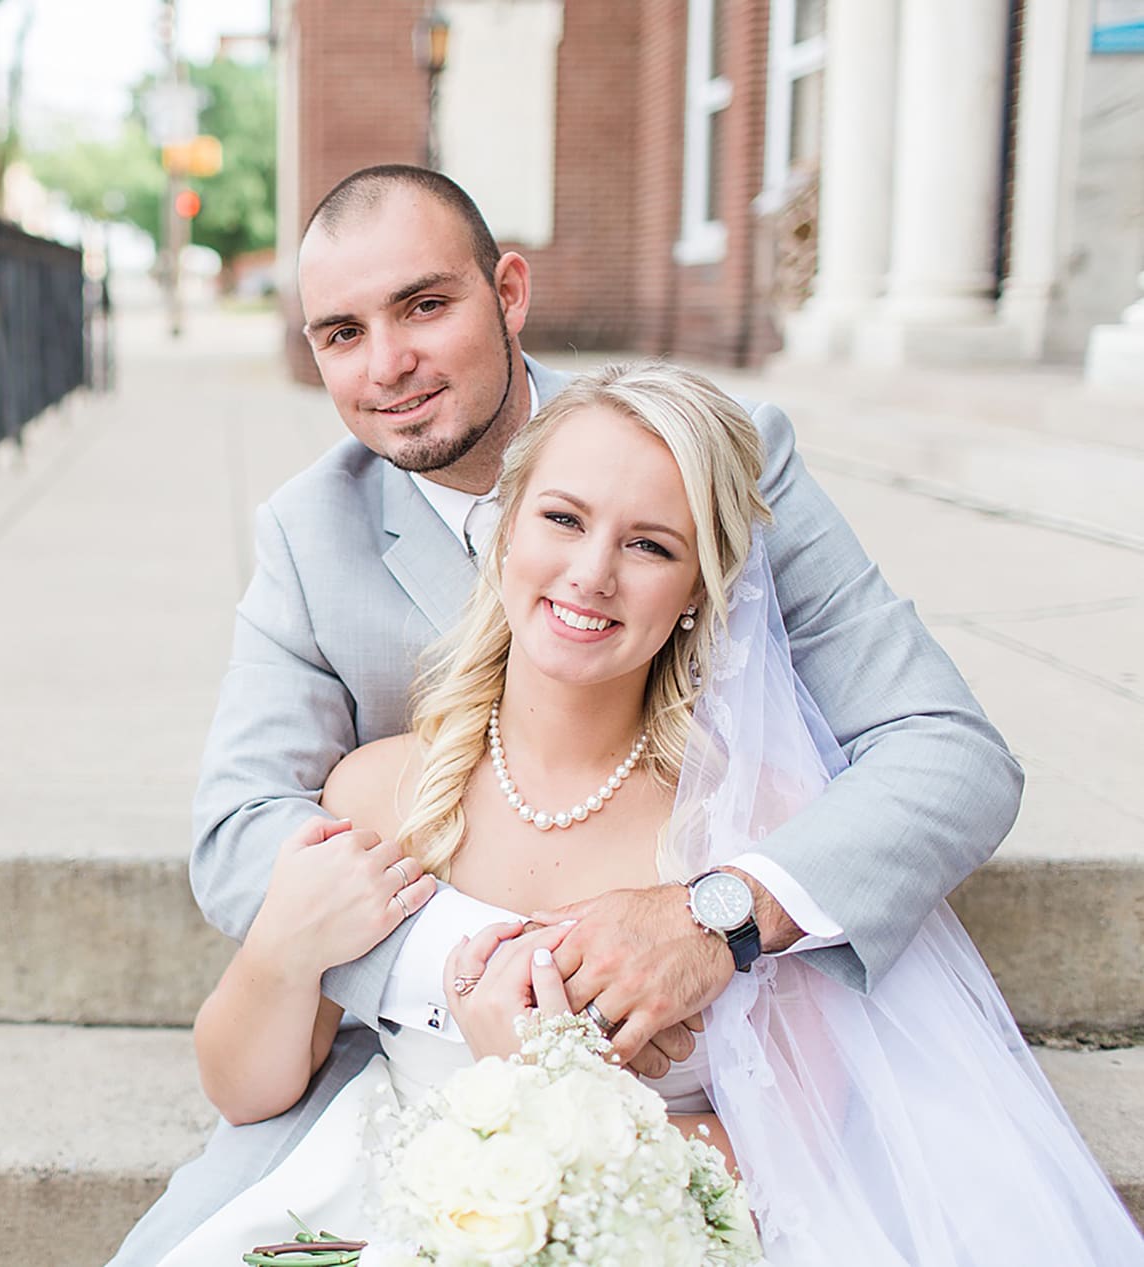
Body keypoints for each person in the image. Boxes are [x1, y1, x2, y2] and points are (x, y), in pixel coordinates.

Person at [106, 165, 1025, 1264]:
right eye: (339, 333)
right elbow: (240, 834)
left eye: (425, 306)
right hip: (408, 1072)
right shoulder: (312, 536)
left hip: (692, 1094)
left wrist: (714, 916)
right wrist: (481, 974)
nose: (387, 364)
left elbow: (948, 753)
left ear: (509, 291)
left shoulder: (722, 455)